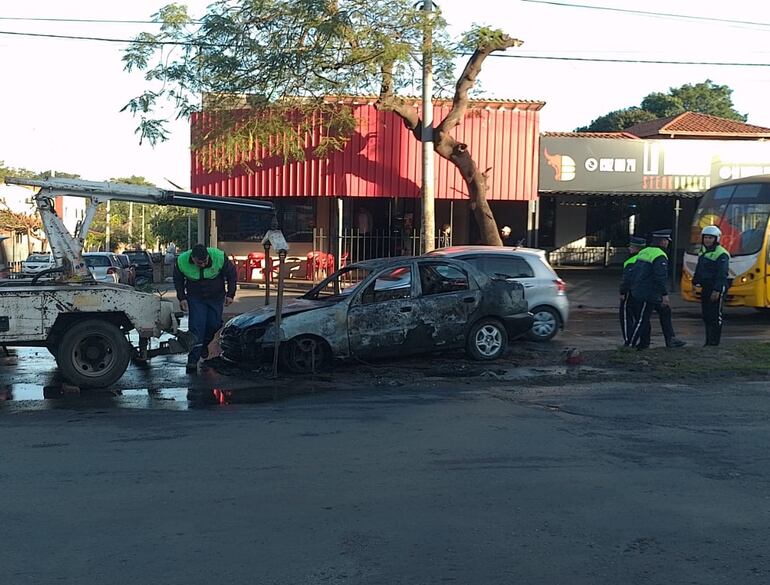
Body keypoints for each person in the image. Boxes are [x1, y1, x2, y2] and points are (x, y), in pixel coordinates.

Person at [174, 243, 237, 373]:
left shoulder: (219, 257)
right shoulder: (182, 261)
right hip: (196, 298)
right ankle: (192, 360)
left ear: (208, 256)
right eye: (199, 263)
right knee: (196, 328)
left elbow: (232, 275)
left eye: (205, 262)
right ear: (193, 258)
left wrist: (230, 294)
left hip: (216, 297)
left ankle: (204, 346)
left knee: (214, 324)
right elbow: (178, 280)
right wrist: (182, 298)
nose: (202, 265)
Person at [628, 229, 686, 350]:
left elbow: (635, 272)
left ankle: (668, 339)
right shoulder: (660, 255)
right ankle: (631, 345)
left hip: (640, 290)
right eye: (667, 241)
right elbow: (660, 277)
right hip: (650, 293)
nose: (667, 243)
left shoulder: (645, 252)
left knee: (665, 312)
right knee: (642, 320)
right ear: (663, 242)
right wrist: (664, 294)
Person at [692, 225, 730, 346]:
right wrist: (694, 283)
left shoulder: (721, 254)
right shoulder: (703, 251)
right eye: (706, 237)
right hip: (706, 287)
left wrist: (717, 290)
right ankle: (708, 341)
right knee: (706, 315)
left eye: (710, 238)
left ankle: (714, 342)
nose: (707, 240)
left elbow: (722, 274)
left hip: (716, 287)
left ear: (716, 239)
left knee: (715, 316)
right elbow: (699, 269)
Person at [619, 235, 647, 345]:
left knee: (626, 318)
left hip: (631, 293)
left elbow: (627, 279)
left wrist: (622, 292)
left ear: (637, 248)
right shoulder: (646, 258)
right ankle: (643, 341)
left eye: (631, 246)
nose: (629, 248)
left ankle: (628, 340)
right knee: (641, 318)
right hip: (643, 293)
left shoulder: (631, 261)